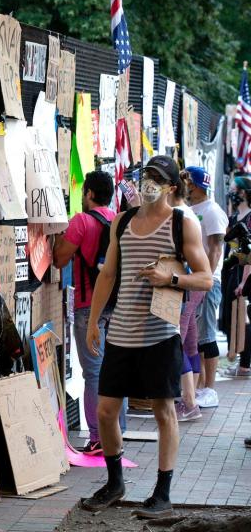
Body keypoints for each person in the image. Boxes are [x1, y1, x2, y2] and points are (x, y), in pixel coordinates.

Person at [81, 156, 212, 518]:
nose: (148, 183)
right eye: (145, 176)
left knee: (164, 411)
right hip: (121, 331)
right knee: (106, 411)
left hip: (161, 334)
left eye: (157, 178)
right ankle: (114, 482)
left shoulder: (182, 224)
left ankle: (163, 493)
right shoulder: (121, 222)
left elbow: (206, 278)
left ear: (171, 186)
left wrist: (171, 280)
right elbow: (107, 274)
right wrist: (94, 320)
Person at [52, 171, 125, 453]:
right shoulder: (118, 220)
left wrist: (59, 235)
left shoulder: (82, 221)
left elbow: (60, 259)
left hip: (88, 307)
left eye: (83, 192)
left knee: (93, 374)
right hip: (117, 307)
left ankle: (98, 437)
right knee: (116, 372)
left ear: (90, 194)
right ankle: (119, 432)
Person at [185, 166, 228, 409]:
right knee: (196, 336)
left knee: (207, 335)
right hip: (194, 281)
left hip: (208, 282)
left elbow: (216, 248)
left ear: (197, 185)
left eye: (189, 182)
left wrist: (207, 279)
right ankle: (200, 385)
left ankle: (210, 388)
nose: (187, 187)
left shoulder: (212, 211)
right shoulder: (192, 209)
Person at [169, 173, 203, 421]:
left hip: (185, 284)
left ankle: (189, 402)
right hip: (190, 284)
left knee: (176, 340)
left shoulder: (179, 216)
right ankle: (191, 399)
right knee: (188, 339)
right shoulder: (184, 213)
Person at [222, 174, 251, 377]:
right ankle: (240, 357)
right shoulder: (233, 218)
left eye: (235, 189)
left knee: (245, 318)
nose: (232, 193)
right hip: (231, 271)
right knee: (231, 317)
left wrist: (244, 280)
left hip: (245, 274)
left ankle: (245, 363)